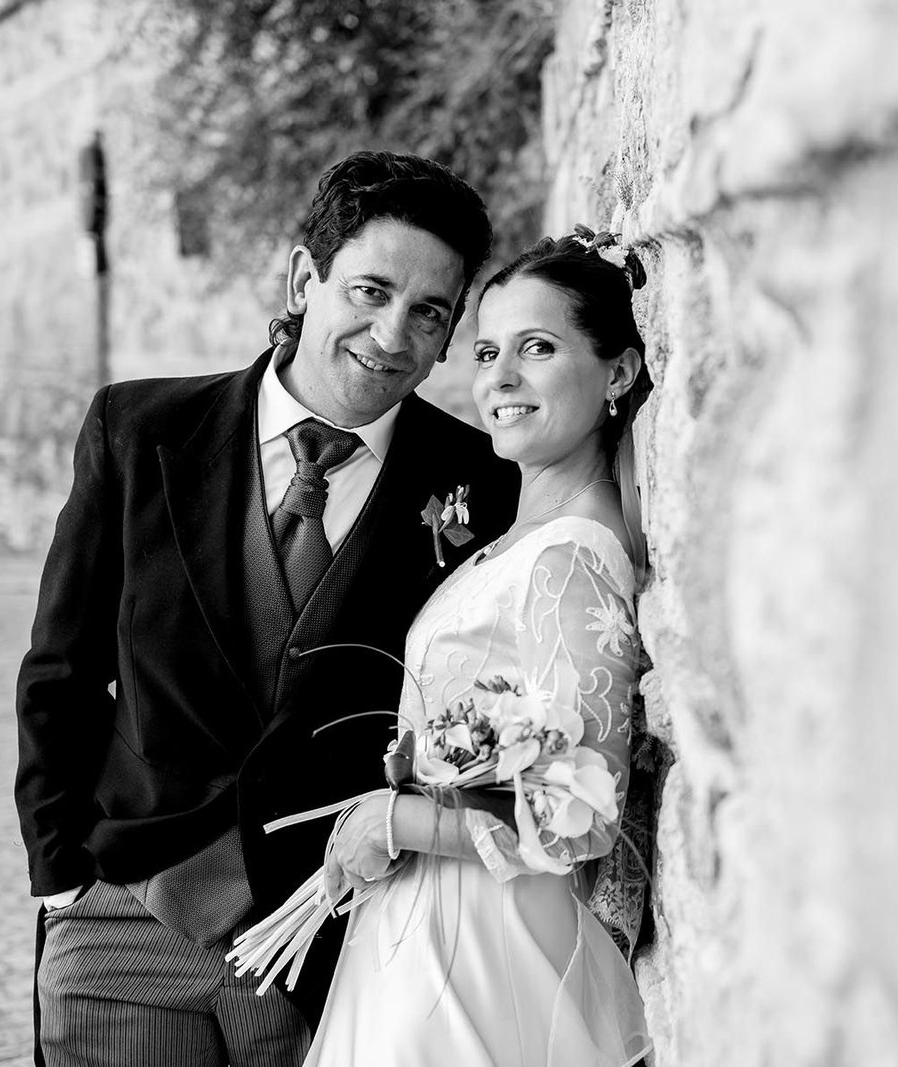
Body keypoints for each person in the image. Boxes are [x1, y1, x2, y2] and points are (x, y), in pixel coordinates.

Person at [15, 151, 520, 1066]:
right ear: (303, 278)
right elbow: (61, 668)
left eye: (430, 312)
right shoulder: (139, 432)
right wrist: (62, 883)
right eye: (369, 290)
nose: (392, 332)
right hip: (128, 922)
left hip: (340, 945)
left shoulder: (482, 483)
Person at [298, 229, 654, 1066]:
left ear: (621, 372)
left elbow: (585, 818)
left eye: (538, 348)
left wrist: (397, 817)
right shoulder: (514, 540)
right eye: (488, 349)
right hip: (429, 928)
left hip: (485, 949)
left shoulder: (570, 557)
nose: (498, 378)